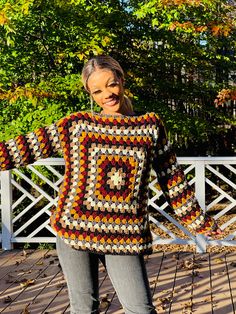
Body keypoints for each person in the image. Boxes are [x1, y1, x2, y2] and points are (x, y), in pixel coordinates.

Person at [0, 55, 221, 314]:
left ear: (122, 80)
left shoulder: (149, 128)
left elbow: (173, 181)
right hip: (74, 229)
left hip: (124, 234)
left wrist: (202, 223)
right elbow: (21, 149)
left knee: (140, 308)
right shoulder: (77, 126)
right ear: (90, 94)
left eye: (111, 84)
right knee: (83, 308)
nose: (107, 94)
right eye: (97, 90)